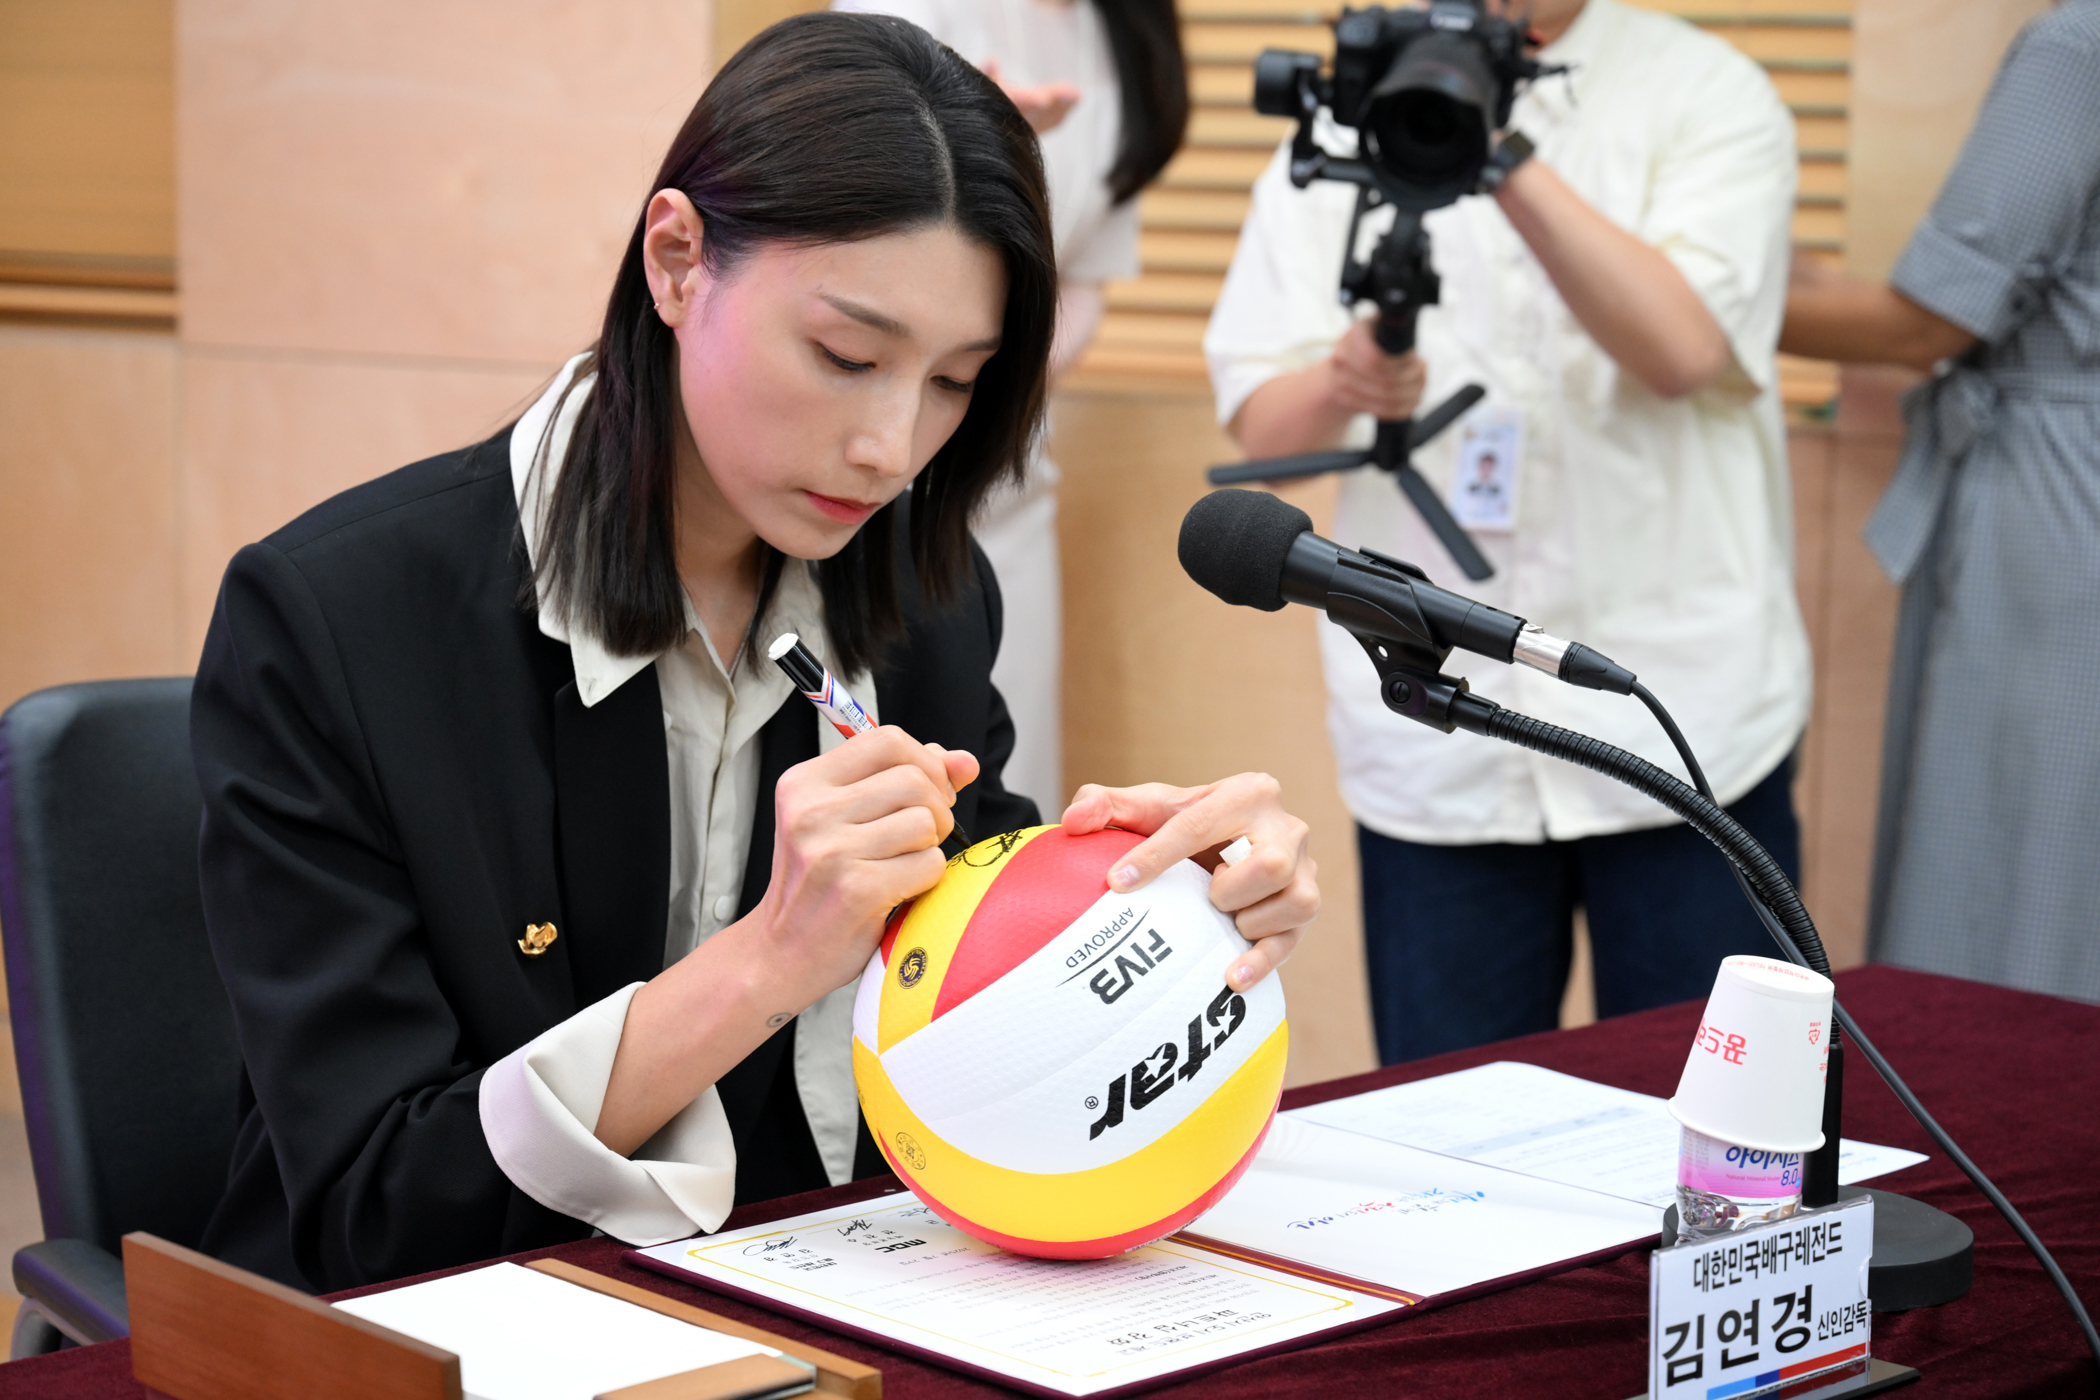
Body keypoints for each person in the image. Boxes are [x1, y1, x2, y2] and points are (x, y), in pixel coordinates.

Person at [190, 13, 1317, 1294]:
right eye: (847, 355)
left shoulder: (928, 592)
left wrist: (1162, 907)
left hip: (819, 1289)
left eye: (955, 381)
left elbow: (974, 1005)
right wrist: (770, 957)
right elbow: (374, 1210)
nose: (891, 448)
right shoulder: (338, 622)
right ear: (677, 262)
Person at [1204, 0, 1809, 1064]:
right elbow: (1267, 434)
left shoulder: (1705, 90)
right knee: (1452, 1127)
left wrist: (1492, 146)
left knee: (1712, 1120)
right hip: (1442, 734)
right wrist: (1346, 380)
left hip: (1681, 716)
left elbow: (1683, 350)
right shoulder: (1352, 110)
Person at [1779, 0, 2100, 1003]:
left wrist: (1697, 289)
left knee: (2010, 878)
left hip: (2061, 500)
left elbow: (1928, 324)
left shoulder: (2080, 47)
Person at [830, 0, 1189, 816]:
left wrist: (984, 383)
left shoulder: (1124, 34)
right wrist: (971, 142)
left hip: (1007, 481)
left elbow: (1085, 279)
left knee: (1001, 781)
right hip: (861, 476)